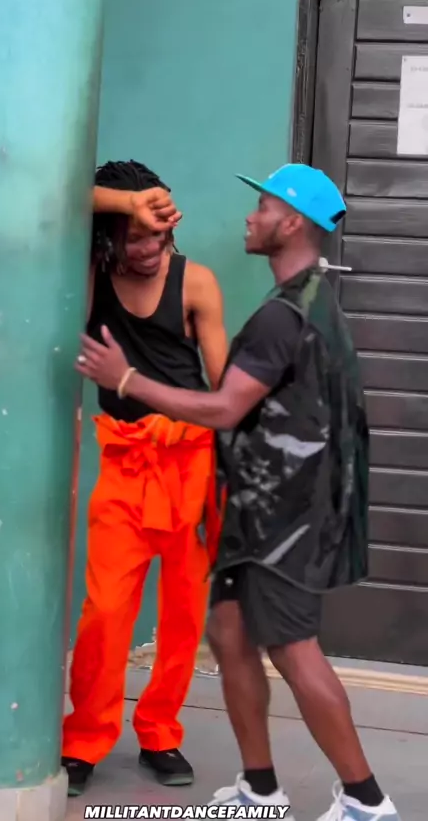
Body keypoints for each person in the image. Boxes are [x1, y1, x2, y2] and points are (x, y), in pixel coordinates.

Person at [75, 163, 402, 821]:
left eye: (262, 207)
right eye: (136, 233)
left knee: (284, 647)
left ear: (291, 222)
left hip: (271, 507)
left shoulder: (282, 315)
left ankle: (365, 800)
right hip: (247, 500)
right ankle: (258, 787)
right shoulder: (302, 302)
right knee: (225, 631)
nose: (248, 217)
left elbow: (227, 406)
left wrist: (128, 379)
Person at [63, 160, 228, 797]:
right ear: (108, 237)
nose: (150, 246)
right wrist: (124, 206)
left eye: (158, 233)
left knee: (184, 615)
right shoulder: (89, 279)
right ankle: (84, 738)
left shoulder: (196, 282)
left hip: (192, 465)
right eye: (134, 235)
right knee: (105, 612)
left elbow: (227, 390)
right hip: (126, 466)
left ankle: (160, 732)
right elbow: (58, 195)